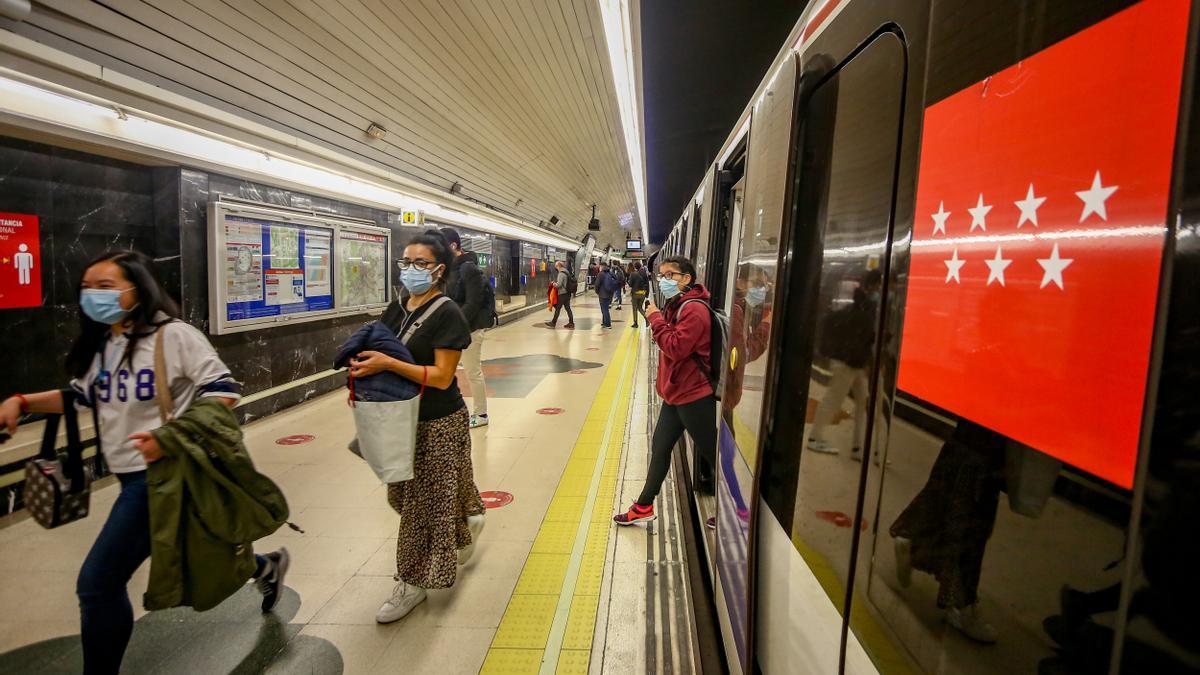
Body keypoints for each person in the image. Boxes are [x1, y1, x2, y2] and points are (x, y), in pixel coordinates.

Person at [0, 250, 288, 675]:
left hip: (163, 474)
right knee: (196, 546)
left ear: (138, 290)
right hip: (130, 474)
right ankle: (266, 566)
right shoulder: (107, 341)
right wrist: (21, 401)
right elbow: (81, 396)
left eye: (106, 286)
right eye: (86, 287)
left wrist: (168, 439)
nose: (92, 295)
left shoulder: (174, 337)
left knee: (97, 584)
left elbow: (224, 392)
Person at [348, 230, 486, 624]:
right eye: (406, 262)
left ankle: (412, 582)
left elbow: (443, 377)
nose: (410, 269)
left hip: (439, 421)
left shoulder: (447, 314)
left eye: (420, 263)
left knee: (420, 509)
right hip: (399, 417)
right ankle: (468, 520)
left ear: (440, 269)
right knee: (402, 496)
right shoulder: (398, 308)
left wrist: (388, 365)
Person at [614, 255, 717, 525]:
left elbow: (676, 347)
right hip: (676, 393)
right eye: (661, 275)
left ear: (686, 279)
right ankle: (644, 506)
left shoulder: (694, 310)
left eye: (670, 275)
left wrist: (655, 319)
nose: (663, 280)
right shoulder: (677, 304)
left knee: (713, 455)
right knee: (660, 448)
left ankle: (740, 511)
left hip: (693, 395)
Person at [807, 270, 882, 461]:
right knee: (834, 400)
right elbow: (861, 336)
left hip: (854, 362)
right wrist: (864, 361)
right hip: (849, 362)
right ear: (874, 285)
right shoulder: (864, 306)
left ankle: (858, 447)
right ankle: (815, 437)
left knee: (861, 403)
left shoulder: (860, 303)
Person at [439, 227, 490, 429]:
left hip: (471, 330)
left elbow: (474, 302)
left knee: (472, 371)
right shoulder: (449, 269)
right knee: (446, 370)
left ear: (453, 246)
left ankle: (481, 413)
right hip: (455, 328)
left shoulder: (468, 268)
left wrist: (456, 323)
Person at [545, 260, 575, 329]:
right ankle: (571, 323)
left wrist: (553, 283)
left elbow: (559, 285)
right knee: (568, 308)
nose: (555, 267)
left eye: (556, 266)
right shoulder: (566, 272)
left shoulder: (561, 273)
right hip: (567, 293)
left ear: (558, 266)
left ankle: (553, 323)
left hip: (562, 293)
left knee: (558, 309)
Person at [595, 263, 618, 329]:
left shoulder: (600, 274)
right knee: (605, 308)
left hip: (602, 294)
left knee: (604, 309)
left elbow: (597, 284)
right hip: (610, 293)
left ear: (602, 266)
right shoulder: (611, 273)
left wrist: (597, 292)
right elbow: (617, 280)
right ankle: (604, 322)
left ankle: (608, 324)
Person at [627, 262, 650, 328]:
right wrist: (647, 294)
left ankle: (635, 323)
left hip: (635, 294)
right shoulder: (644, 272)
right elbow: (647, 283)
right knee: (640, 308)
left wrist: (628, 282)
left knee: (634, 309)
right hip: (642, 293)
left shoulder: (633, 274)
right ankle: (647, 319)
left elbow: (630, 284)